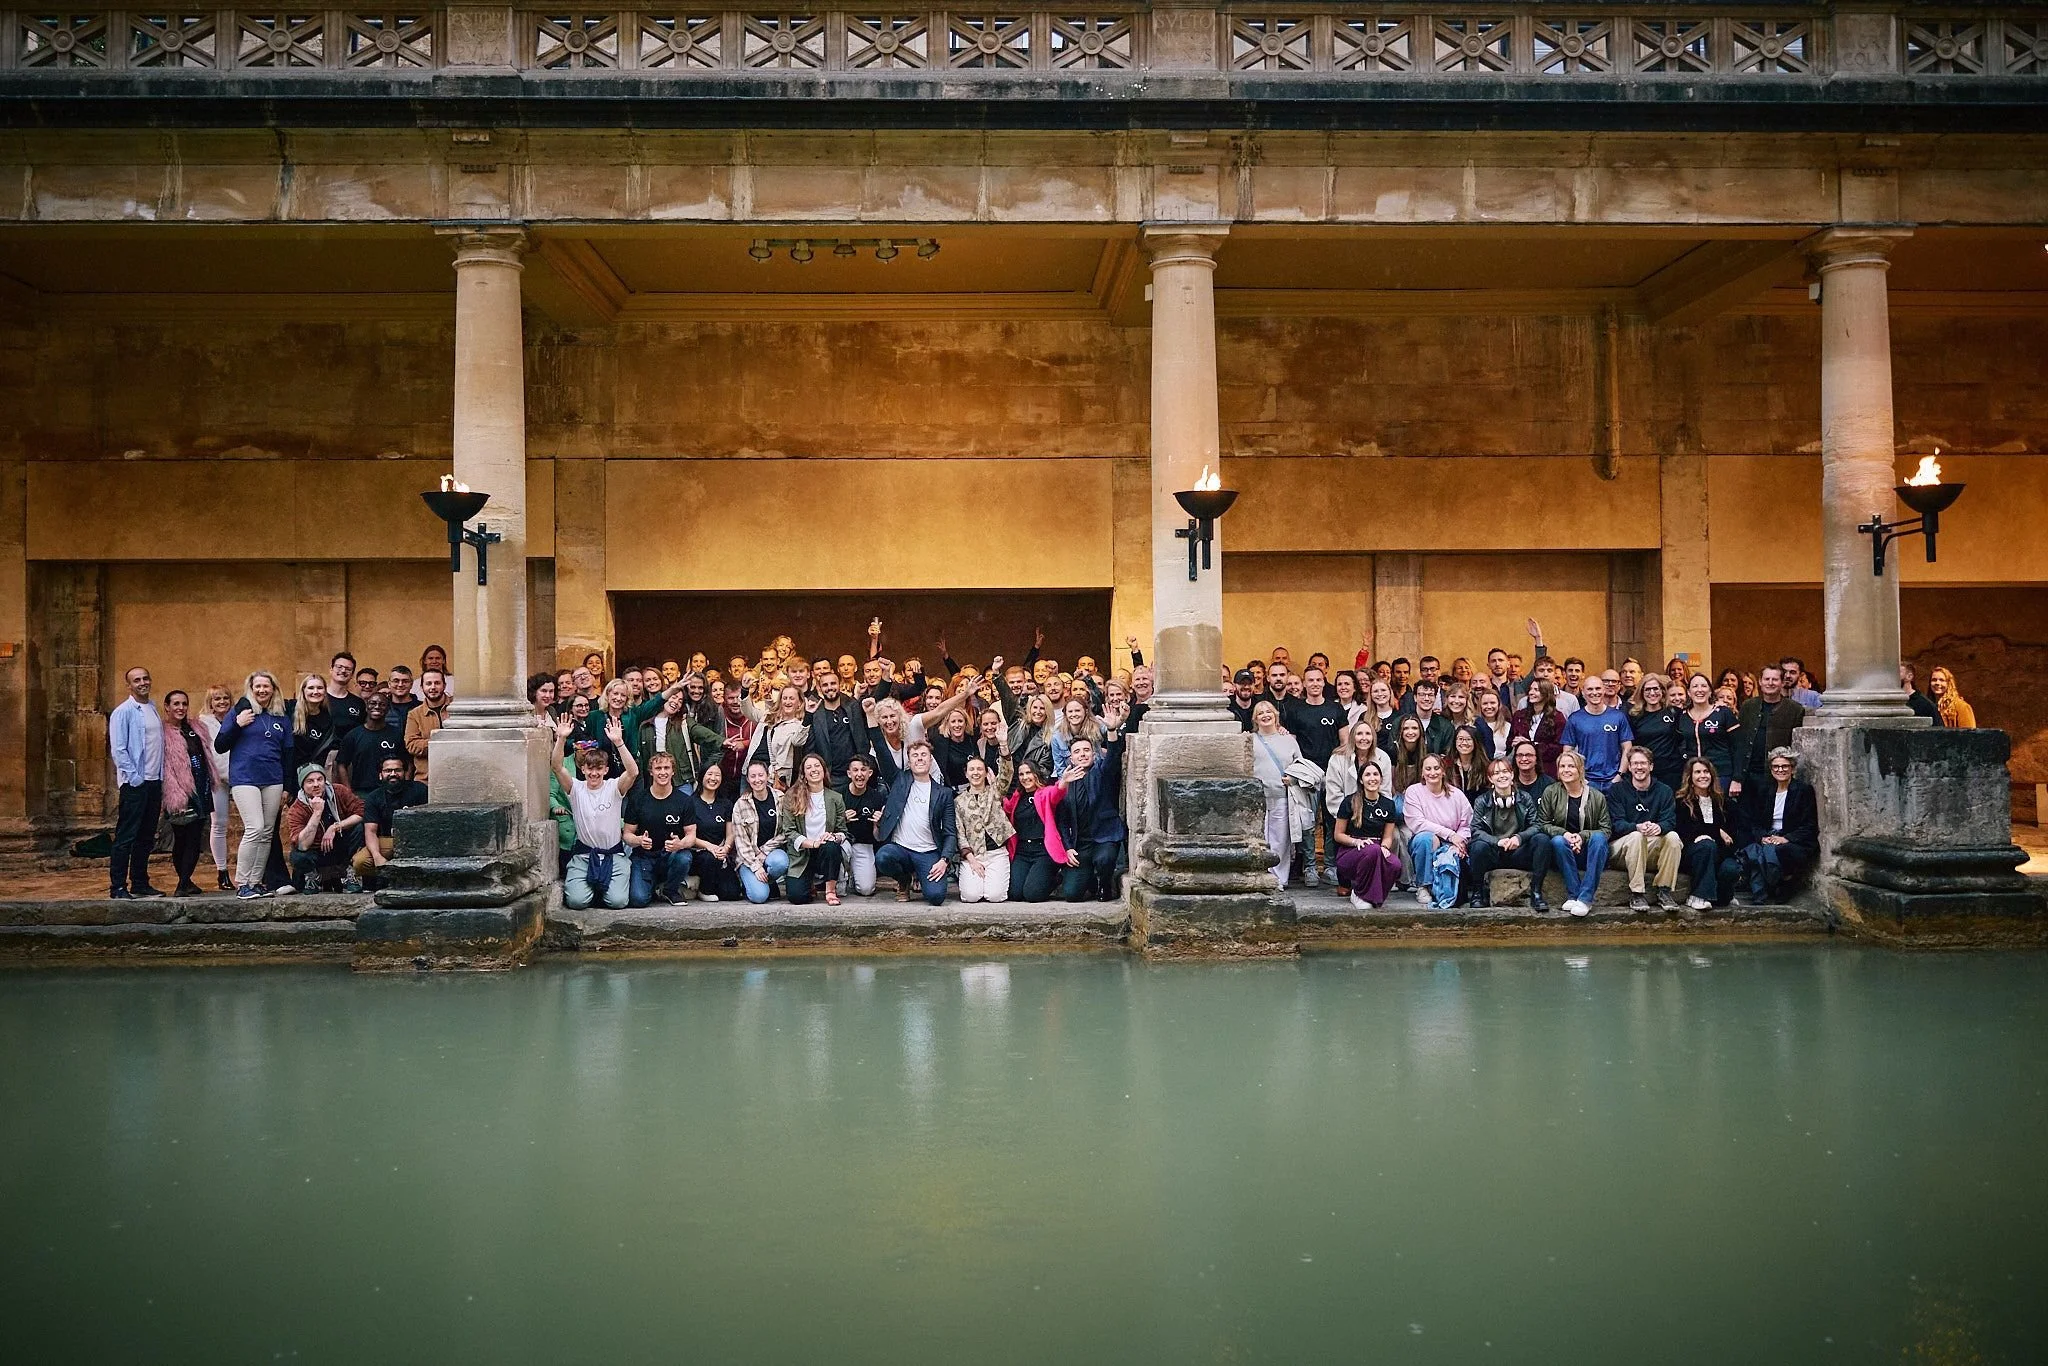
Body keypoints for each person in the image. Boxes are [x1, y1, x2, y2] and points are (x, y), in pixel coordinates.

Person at [216, 670, 292, 900]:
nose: (262, 690)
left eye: (266, 686)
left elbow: (288, 755)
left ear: (273, 689)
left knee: (268, 832)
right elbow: (220, 745)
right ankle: (242, 882)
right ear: (251, 688)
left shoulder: (282, 718)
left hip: (273, 780)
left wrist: (287, 786)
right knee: (255, 828)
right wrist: (237, 725)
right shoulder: (241, 712)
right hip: (245, 779)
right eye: (257, 686)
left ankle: (256, 882)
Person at [553, 713, 637, 912]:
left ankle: (604, 888)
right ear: (583, 769)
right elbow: (556, 767)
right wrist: (561, 738)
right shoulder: (576, 789)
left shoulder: (614, 787)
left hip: (613, 855)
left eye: (599, 768)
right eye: (590, 768)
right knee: (576, 902)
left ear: (606, 770)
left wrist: (619, 743)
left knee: (618, 902)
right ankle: (591, 887)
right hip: (584, 856)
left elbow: (633, 772)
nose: (594, 773)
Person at [1038, 730, 1128, 902]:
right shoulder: (1065, 782)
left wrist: (1111, 731)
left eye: (1086, 750)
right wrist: (1067, 847)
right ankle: (1090, 881)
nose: (1082, 754)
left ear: (1093, 754)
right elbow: (1062, 821)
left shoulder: (1103, 770)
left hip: (1104, 838)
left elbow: (1113, 758)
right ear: (1071, 759)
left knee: (1104, 859)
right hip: (1081, 843)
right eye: (1077, 752)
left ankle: (1105, 883)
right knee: (1072, 894)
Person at [1283, 666, 1349, 887]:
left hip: (1331, 773)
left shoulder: (1336, 710)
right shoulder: (1296, 710)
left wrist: (1334, 766)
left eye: (1318, 680)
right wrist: (1298, 771)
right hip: (1306, 774)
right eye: (1310, 680)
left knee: (1332, 820)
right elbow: (1291, 744)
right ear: (1304, 683)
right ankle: (1310, 867)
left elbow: (1345, 743)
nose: (1314, 684)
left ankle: (1330, 866)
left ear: (1324, 682)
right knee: (1308, 823)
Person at [107, 664, 165, 899]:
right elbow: (119, 749)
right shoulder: (124, 712)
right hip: (136, 784)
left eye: (145, 678)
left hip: (154, 781)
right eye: (137, 680)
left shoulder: (152, 707)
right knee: (126, 836)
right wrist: (135, 779)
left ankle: (140, 883)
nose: (142, 683)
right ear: (129, 685)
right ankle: (118, 887)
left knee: (146, 837)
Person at [876, 740, 959, 906]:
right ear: (909, 761)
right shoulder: (899, 780)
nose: (919, 759)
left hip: (928, 852)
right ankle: (904, 879)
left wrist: (944, 860)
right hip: (901, 848)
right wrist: (871, 718)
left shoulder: (944, 793)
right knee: (883, 857)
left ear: (930, 760)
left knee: (936, 897)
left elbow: (950, 832)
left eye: (923, 755)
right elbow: (881, 751)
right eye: (915, 755)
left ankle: (921, 875)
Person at [1468, 757, 1554, 912]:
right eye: (1496, 773)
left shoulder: (1525, 798)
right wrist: (1497, 842)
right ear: (1490, 779)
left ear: (1512, 774)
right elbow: (1475, 830)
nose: (1501, 776)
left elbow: (1537, 825)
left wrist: (1519, 838)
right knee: (1477, 846)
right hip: (1494, 852)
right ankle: (1477, 894)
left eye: (1505, 771)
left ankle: (1536, 893)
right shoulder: (1482, 801)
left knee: (1542, 840)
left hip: (1518, 851)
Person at [1736, 747, 1819, 905]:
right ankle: (1761, 891)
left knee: (1780, 851)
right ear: (1771, 769)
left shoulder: (1803, 790)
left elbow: (1809, 825)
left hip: (1792, 840)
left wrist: (1785, 838)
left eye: (1784, 766)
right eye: (1776, 766)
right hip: (1768, 834)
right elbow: (1755, 821)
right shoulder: (1765, 790)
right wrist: (1762, 837)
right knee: (1754, 851)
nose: (1780, 770)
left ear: (1792, 768)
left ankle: (1784, 884)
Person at [1607, 746, 1682, 913]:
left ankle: (1664, 891)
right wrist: (1637, 827)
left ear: (1651, 766)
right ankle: (1637, 893)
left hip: (1650, 846)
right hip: (1622, 849)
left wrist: (1659, 826)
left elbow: (1670, 821)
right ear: (1630, 767)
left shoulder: (1664, 791)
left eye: (1643, 763)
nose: (1639, 767)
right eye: (1634, 764)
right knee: (1635, 836)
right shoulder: (1618, 790)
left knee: (1673, 837)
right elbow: (1615, 824)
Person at [1539, 749, 1610, 918]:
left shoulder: (1597, 796)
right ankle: (1573, 894)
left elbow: (1606, 829)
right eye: (1562, 766)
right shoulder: (1551, 792)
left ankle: (1585, 899)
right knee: (1556, 841)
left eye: (1571, 766)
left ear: (1580, 770)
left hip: (1590, 852)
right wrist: (1565, 834)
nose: (1566, 770)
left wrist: (1582, 836)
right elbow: (1542, 823)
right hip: (1564, 852)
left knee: (1599, 838)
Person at [157, 689, 214, 897]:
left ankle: (185, 881)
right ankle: (183, 882)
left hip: (200, 787)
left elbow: (205, 755)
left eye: (184, 704)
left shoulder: (195, 728)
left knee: (194, 837)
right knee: (181, 838)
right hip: (178, 790)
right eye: (176, 704)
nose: (180, 708)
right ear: (167, 707)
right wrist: (174, 792)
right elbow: (164, 765)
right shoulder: (162, 732)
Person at [624, 750, 698, 906]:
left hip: (670, 855)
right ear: (651, 772)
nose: (662, 772)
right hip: (644, 856)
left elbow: (691, 835)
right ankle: (654, 887)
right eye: (658, 769)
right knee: (638, 899)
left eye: (666, 768)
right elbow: (627, 835)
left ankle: (670, 890)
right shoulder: (638, 800)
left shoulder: (684, 801)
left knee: (684, 857)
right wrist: (638, 840)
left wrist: (681, 844)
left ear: (673, 771)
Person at [775, 752, 848, 906]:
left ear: (824, 770)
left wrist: (834, 837)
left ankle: (830, 890)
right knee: (797, 897)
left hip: (825, 851)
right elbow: (789, 831)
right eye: (809, 767)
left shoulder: (836, 798)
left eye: (817, 766)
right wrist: (812, 843)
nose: (814, 770)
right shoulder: (791, 796)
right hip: (802, 852)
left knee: (831, 847)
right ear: (804, 774)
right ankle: (809, 884)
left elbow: (843, 831)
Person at [1401, 753, 1471, 910]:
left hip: (1453, 842)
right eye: (1428, 769)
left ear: (1443, 771)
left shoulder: (1457, 795)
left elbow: (1466, 824)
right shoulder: (1414, 792)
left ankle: (1446, 890)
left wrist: (1459, 842)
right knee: (1427, 839)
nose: (1432, 772)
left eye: (1436, 768)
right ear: (1422, 773)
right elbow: (1417, 823)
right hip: (1426, 841)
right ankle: (1424, 886)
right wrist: (1449, 834)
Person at [1674, 756, 1741, 913]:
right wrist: (1717, 831)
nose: (1703, 775)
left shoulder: (1723, 802)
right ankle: (1697, 896)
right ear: (1690, 777)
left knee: (1731, 869)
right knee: (1706, 845)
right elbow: (1684, 830)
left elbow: (1732, 837)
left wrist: (1709, 832)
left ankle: (1723, 896)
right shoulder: (1681, 802)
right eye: (1697, 772)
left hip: (1720, 853)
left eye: (1706, 771)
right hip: (1693, 853)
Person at [283, 765, 365, 893]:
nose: (316, 784)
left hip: (340, 845)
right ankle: (313, 877)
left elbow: (361, 812)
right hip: (316, 851)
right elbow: (303, 845)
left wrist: (335, 827)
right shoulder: (296, 809)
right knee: (297, 855)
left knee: (360, 828)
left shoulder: (339, 791)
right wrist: (317, 813)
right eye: (310, 781)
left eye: (320, 779)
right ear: (302, 785)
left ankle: (350, 873)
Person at [1249, 699, 1303, 888]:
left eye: (1268, 712)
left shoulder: (1288, 740)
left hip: (1282, 795)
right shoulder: (1249, 740)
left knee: (1280, 840)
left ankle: (1279, 879)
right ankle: (1261, 876)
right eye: (1260, 713)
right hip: (1258, 798)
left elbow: (1300, 766)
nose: (1265, 715)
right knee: (1260, 838)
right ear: (1255, 718)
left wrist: (1294, 779)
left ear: (1275, 715)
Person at [1332, 763, 1401, 910]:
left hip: (1376, 848)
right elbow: (1338, 835)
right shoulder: (1349, 802)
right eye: (1367, 775)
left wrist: (1384, 847)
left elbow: (1388, 836)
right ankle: (1359, 893)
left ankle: (1376, 896)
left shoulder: (1388, 804)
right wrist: (1355, 841)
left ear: (1381, 779)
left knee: (1395, 864)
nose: (1372, 778)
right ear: (1361, 780)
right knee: (1372, 851)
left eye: (1375, 774)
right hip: (1351, 850)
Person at [1730, 665, 1805, 798]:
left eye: (1775, 679)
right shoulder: (1748, 706)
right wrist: (1737, 777)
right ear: (1760, 681)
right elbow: (1739, 743)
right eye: (1767, 679)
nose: (1770, 683)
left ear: (1782, 682)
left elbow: (1795, 746)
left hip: (1777, 777)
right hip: (1748, 775)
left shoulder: (1795, 710)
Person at [355, 755, 427, 889]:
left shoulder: (420, 790)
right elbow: (370, 831)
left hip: (417, 841)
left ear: (405, 773)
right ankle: (390, 878)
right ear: (380, 775)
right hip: (389, 841)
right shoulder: (373, 798)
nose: (393, 774)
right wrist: (377, 857)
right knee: (360, 862)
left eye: (397, 770)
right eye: (388, 771)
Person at [955, 755, 1015, 904]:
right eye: (972, 769)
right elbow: (959, 833)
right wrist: (972, 861)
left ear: (986, 772)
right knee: (971, 896)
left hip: (996, 853)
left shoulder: (995, 792)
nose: (976, 773)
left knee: (995, 896)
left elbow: (1007, 773)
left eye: (979, 769)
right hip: (973, 856)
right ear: (966, 773)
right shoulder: (959, 801)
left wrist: (1004, 747)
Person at [733, 759, 790, 904]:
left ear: (767, 776)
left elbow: (786, 831)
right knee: (759, 897)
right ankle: (758, 883)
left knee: (781, 862)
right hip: (749, 859)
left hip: (771, 854)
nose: (757, 780)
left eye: (760, 775)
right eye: (753, 776)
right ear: (747, 779)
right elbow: (741, 843)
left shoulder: (780, 798)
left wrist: (764, 851)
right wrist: (756, 866)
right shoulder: (741, 804)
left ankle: (768, 881)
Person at [196, 684, 235, 890]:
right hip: (216, 778)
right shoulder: (203, 723)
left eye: (225, 698)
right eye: (217, 699)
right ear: (210, 702)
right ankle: (222, 871)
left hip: (238, 775)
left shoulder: (237, 719)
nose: (222, 703)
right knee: (219, 823)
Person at [1004, 759, 1059, 902]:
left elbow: (1056, 793)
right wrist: (994, 787)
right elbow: (1007, 808)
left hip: (1043, 851)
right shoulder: (1017, 796)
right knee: (1014, 895)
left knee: (1032, 895)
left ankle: (1056, 879)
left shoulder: (1045, 793)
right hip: (1022, 851)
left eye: (1028, 773)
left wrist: (1063, 782)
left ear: (1036, 774)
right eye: (1021, 774)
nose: (1025, 777)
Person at [684, 761, 739, 902]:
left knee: (731, 894)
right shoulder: (690, 803)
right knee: (708, 858)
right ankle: (703, 890)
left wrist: (726, 848)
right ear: (701, 776)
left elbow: (730, 833)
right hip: (698, 853)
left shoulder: (726, 804)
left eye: (717, 775)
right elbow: (688, 835)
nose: (713, 778)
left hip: (720, 854)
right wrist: (710, 847)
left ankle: (695, 886)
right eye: (709, 774)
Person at [336, 692, 408, 794]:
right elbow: (341, 764)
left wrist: (405, 786)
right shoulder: (353, 735)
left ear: (388, 709)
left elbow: (407, 763)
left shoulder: (396, 734)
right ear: (366, 707)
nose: (377, 707)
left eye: (382, 704)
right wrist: (348, 791)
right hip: (362, 792)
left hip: (392, 791)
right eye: (373, 703)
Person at [836, 753, 887, 897]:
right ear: (849, 773)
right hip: (842, 843)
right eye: (855, 770)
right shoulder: (838, 796)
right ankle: (842, 878)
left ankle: (854, 875)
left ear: (870, 773)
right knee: (838, 850)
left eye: (863, 770)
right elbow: (828, 829)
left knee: (866, 889)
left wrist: (878, 824)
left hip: (864, 844)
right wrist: (842, 819)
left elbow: (878, 838)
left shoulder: (877, 797)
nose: (859, 774)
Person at [1625, 674, 1685, 793]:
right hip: (1645, 771)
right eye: (1648, 689)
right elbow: (1631, 745)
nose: (1652, 693)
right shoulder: (1634, 715)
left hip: (1671, 771)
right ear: (1641, 692)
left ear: (1662, 691)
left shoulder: (1674, 712)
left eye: (1656, 688)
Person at [1678, 672, 1740, 783]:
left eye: (1704, 686)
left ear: (1710, 691)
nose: (1699, 690)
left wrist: (1737, 779)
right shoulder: (1682, 716)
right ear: (1689, 692)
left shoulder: (1723, 713)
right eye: (1695, 686)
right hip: (1693, 776)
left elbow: (1738, 747)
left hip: (1721, 774)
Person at [1509, 678, 1567, 777]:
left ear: (1546, 693)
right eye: (1530, 689)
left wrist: (1531, 744)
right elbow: (1509, 741)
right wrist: (1514, 742)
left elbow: (1558, 748)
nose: (1531, 692)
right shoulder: (1519, 715)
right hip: (1521, 770)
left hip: (1546, 770)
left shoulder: (1557, 717)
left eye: (1536, 690)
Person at [404, 669, 452, 786]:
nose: (433, 687)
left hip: (456, 775)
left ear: (444, 685)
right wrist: (440, 742)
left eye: (437, 683)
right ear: (422, 687)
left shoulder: (457, 707)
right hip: (426, 779)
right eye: (428, 683)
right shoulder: (414, 714)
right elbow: (411, 744)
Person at [326, 651, 366, 737]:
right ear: (331, 669)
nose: (343, 671)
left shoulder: (358, 703)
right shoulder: (318, 697)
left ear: (352, 674)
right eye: (339, 667)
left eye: (348, 669)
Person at [1446, 724, 1490, 799]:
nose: (1464, 743)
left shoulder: (1485, 766)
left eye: (1468, 739)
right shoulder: (1446, 765)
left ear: (1475, 742)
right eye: (1460, 739)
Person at [1508, 738, 1555, 805]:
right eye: (1520, 755)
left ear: (1536, 759)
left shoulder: (1549, 785)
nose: (1524, 759)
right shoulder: (1509, 784)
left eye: (1529, 755)